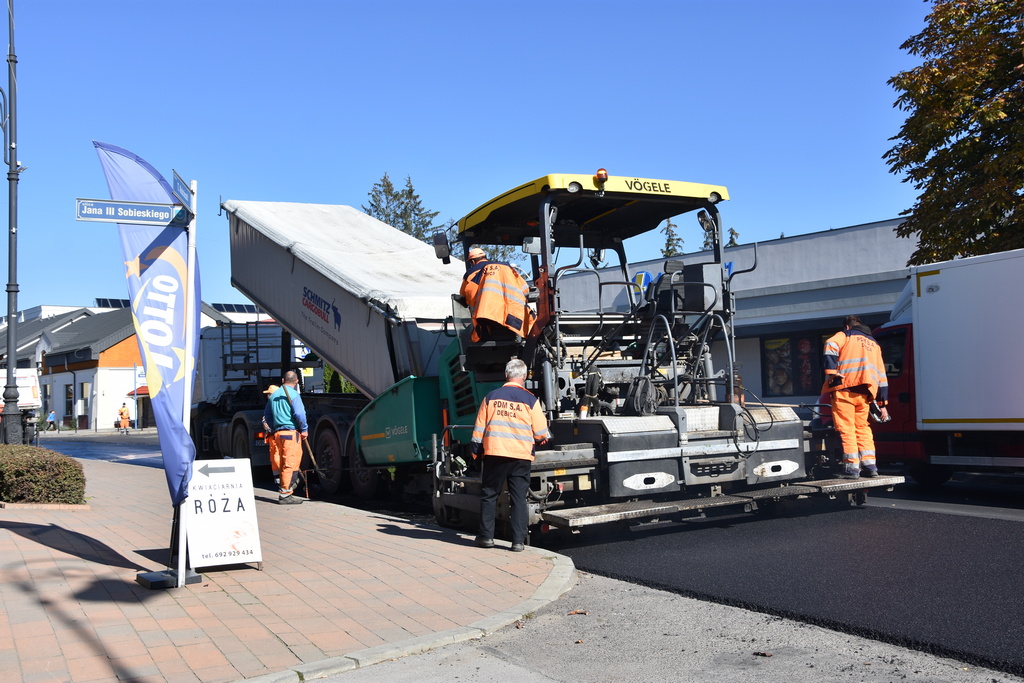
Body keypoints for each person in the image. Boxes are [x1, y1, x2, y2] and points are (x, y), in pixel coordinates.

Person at [472, 358, 551, 551]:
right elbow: (541, 433)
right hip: (520, 456)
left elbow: (478, 430)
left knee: (489, 495)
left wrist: (475, 453)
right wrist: (540, 439)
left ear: (506, 375)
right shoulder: (531, 400)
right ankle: (518, 542)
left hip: (495, 453)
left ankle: (486, 538)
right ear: (524, 377)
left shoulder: (491, 397)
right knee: (518, 499)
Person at [823, 315, 889, 479]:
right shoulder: (874, 344)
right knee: (863, 428)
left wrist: (831, 372)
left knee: (847, 429)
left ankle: (851, 468)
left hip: (845, 389)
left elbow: (830, 344)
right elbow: (882, 375)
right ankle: (870, 466)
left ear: (847, 326)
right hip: (865, 394)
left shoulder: (845, 335)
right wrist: (883, 404)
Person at [459, 247, 533, 342]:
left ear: (472, 262)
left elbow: (467, 295)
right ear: (485, 257)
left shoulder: (471, 273)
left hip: (487, 318)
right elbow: (525, 289)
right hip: (512, 317)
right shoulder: (506, 267)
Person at [263, 371, 309, 504]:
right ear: (297, 381)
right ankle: (285, 494)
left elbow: (267, 415)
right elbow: (300, 414)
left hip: (278, 434)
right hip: (290, 433)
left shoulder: (274, 395)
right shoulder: (294, 394)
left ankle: (285, 489)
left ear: (283, 380)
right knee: (291, 463)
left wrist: (275, 427)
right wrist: (304, 429)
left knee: (283, 463)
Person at [261, 385, 281, 488]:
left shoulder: (278, 404)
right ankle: (278, 480)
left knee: (277, 458)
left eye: (269, 394)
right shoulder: (270, 404)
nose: (268, 396)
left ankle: (282, 480)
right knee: (274, 458)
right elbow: (265, 418)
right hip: (273, 436)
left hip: (276, 435)